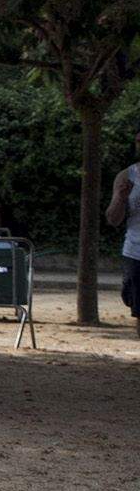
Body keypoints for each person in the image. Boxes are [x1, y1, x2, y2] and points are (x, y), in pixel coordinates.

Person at [106, 126, 140, 340]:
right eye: (138, 141)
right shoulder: (127, 176)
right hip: (136, 253)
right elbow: (113, 219)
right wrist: (120, 197)